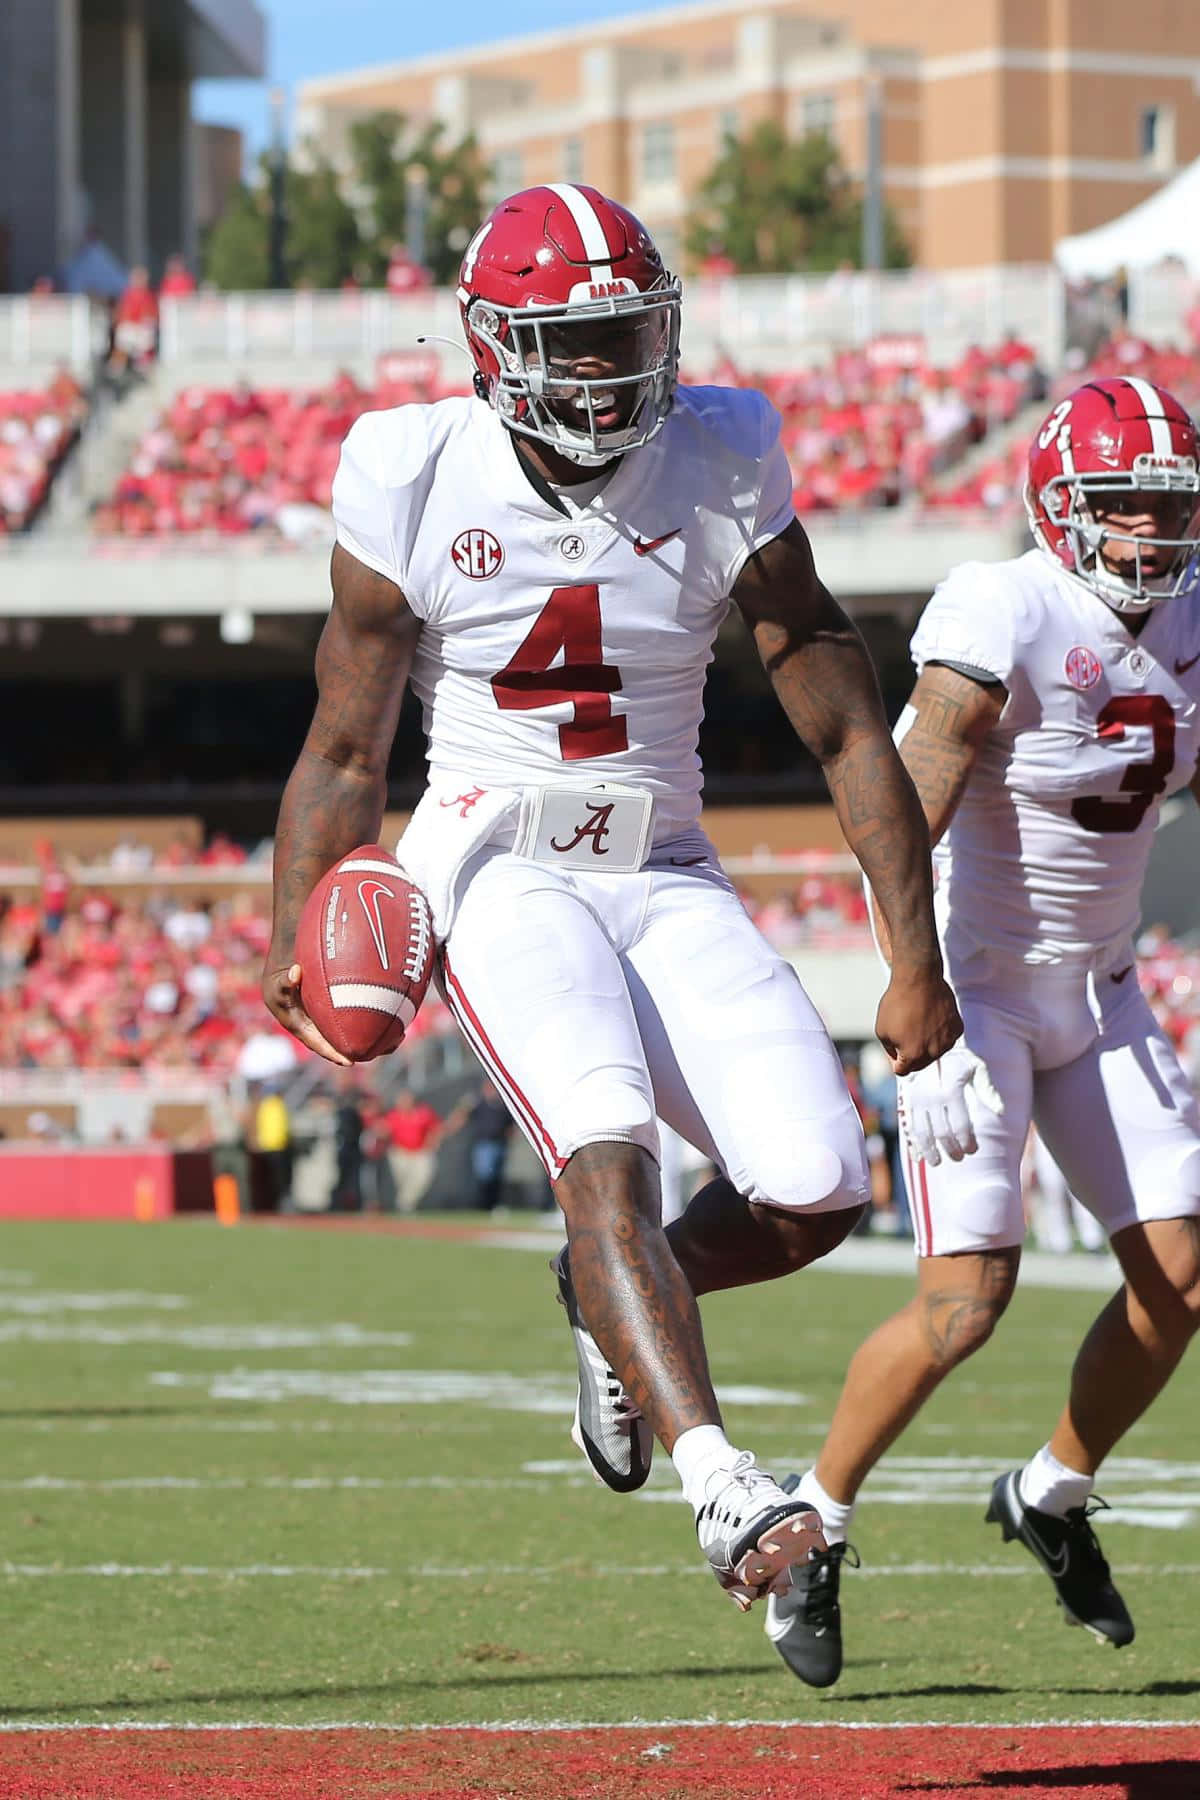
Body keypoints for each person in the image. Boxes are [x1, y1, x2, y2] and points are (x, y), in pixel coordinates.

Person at [262, 183, 959, 1614]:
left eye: (624, 334)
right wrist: (300, 920)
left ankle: (609, 1301)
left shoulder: (721, 451)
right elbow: (346, 744)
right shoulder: (410, 467)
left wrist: (912, 953)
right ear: (490, 343)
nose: (603, 369)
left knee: (822, 1185)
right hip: (493, 855)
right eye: (570, 341)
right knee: (605, 1155)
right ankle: (720, 1486)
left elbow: (839, 720)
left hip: (662, 861)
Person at [767, 375, 1200, 1685]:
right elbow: (911, 794)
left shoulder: (1191, 614)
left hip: (1106, 985)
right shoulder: (1005, 603)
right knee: (965, 1305)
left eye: (1167, 507)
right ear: (1062, 506)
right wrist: (914, 988)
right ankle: (813, 1524)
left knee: (1182, 1280)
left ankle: (1051, 1495)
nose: (1148, 533)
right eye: (1123, 505)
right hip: (980, 987)